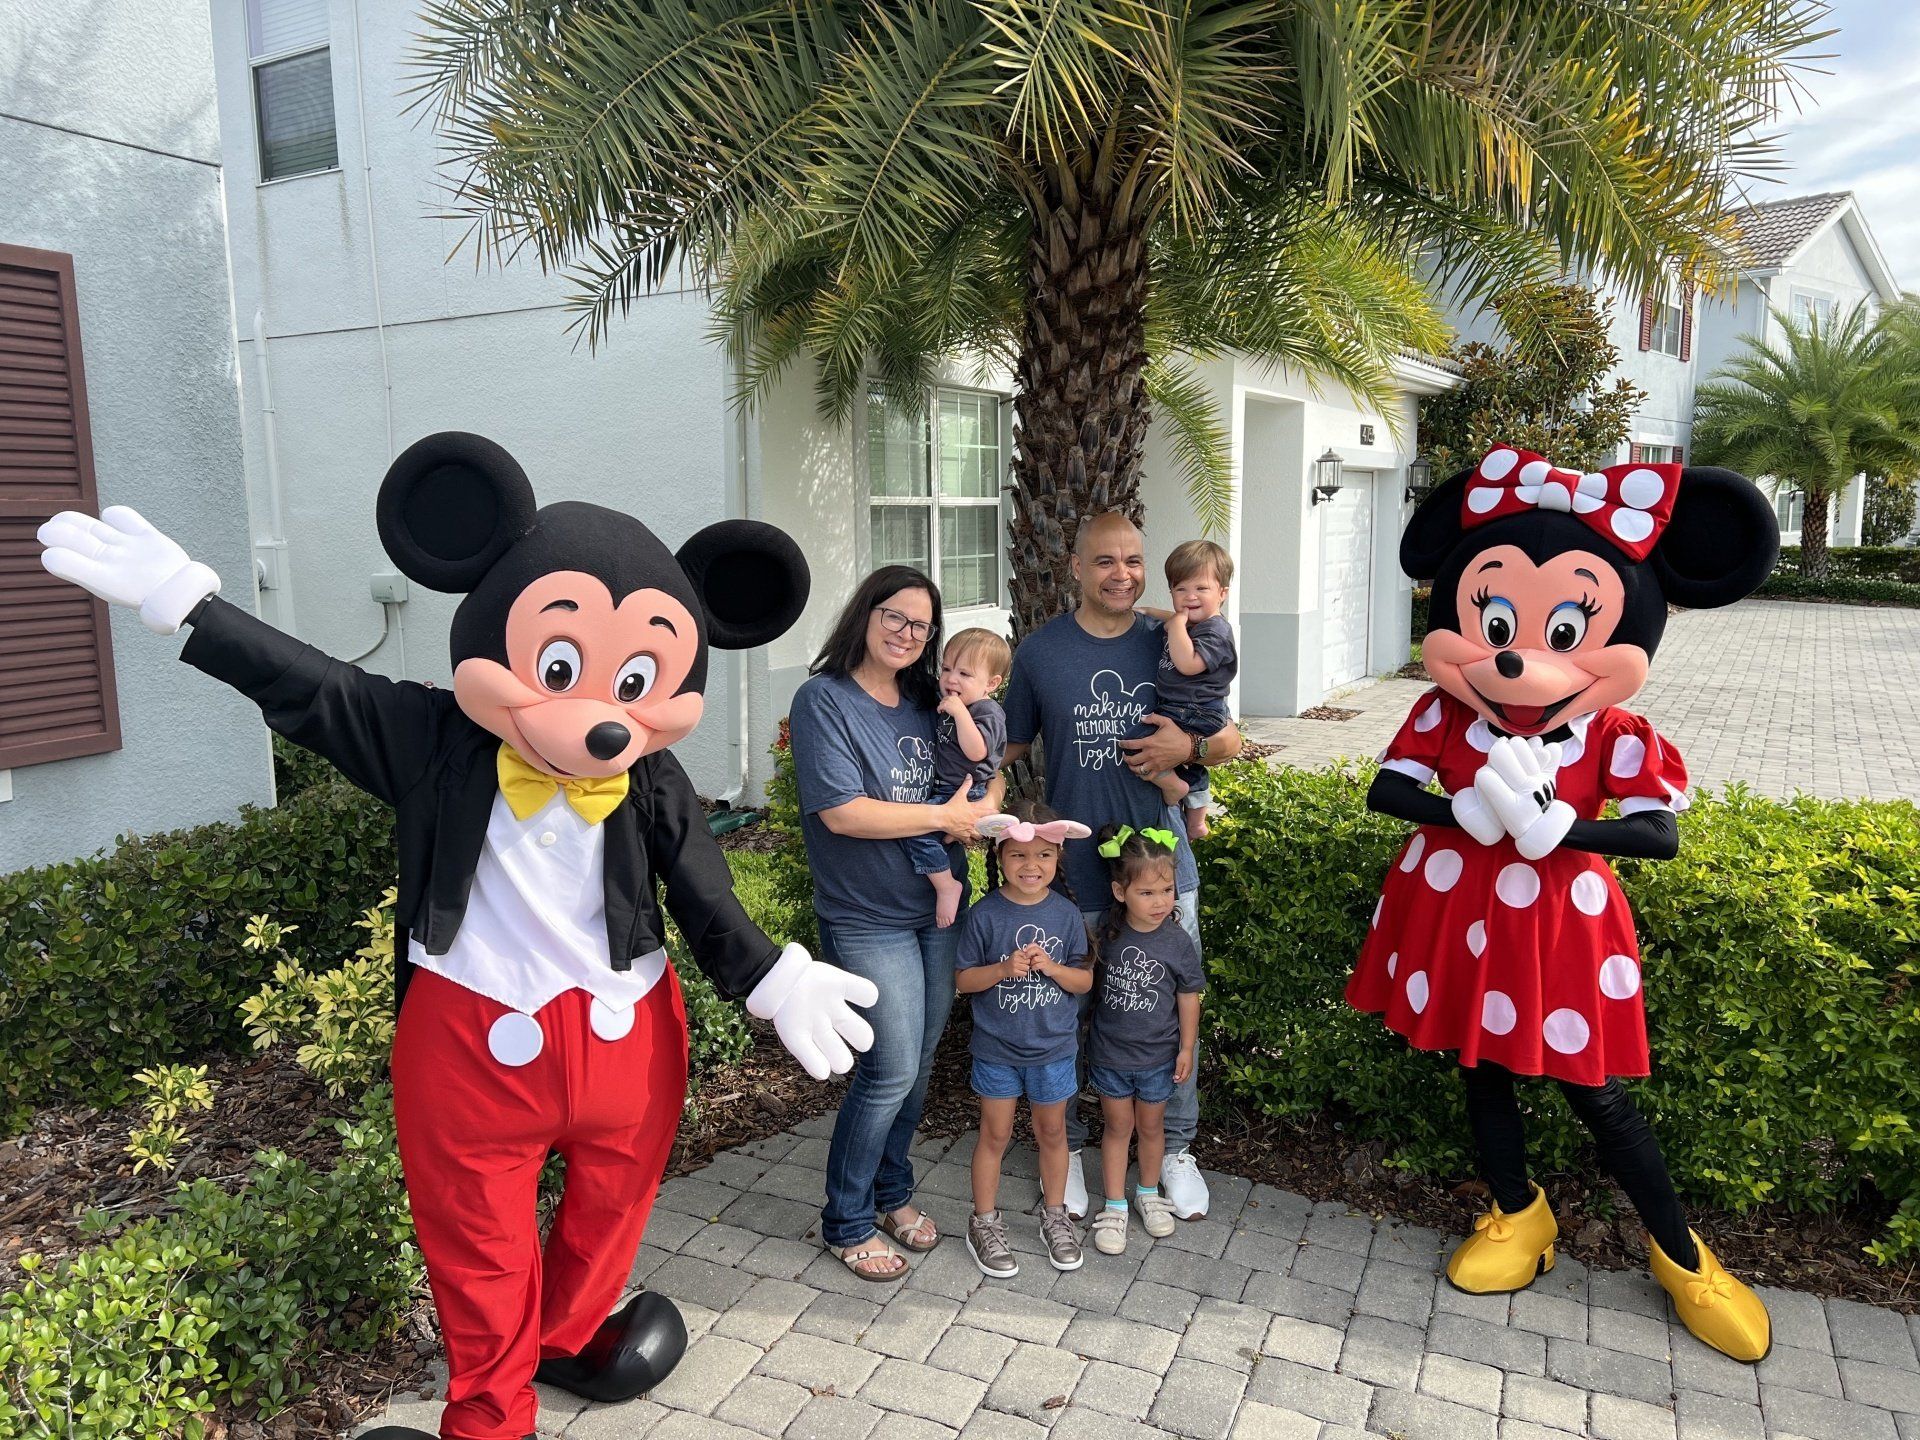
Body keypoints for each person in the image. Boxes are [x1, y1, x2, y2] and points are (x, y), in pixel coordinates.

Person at [37, 433, 875, 1440]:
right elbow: (317, 690)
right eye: (562, 667)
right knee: (480, 1244)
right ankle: (491, 1410)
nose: (599, 718)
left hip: (630, 1042)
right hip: (473, 1044)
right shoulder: (430, 740)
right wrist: (192, 605)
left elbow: (705, 894)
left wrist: (773, 977)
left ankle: (566, 1335)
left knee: (612, 1210)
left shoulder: (649, 777)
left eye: (634, 681)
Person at [1348, 444, 1780, 1363]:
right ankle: (1518, 1212)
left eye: (1561, 631)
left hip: (1560, 928)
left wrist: (1560, 830)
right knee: (1482, 1067)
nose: (1518, 662)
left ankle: (1682, 1256)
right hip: (1460, 912)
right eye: (1496, 623)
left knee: (1596, 1094)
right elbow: (1387, 792)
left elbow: (1658, 833)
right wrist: (1460, 811)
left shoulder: (1616, 731)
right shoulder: (1444, 716)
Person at [1001, 512, 1241, 1220]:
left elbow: (1229, 737)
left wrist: (1186, 753)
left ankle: (1173, 1152)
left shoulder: (1175, 636)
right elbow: (1007, 747)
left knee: (1169, 1011)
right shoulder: (1041, 654)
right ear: (1075, 567)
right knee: (1069, 1015)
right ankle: (1068, 1151)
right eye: (1105, 561)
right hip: (1075, 873)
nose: (1122, 575)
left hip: (1164, 877)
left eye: (1134, 561)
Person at [788, 567, 997, 1281]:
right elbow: (842, 811)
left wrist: (979, 804)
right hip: (865, 916)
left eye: (921, 625)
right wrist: (943, 816)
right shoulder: (825, 701)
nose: (908, 633)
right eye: (896, 617)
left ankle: (891, 1192)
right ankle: (844, 1221)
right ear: (865, 614)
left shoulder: (925, 701)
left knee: (920, 1064)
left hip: (937, 908)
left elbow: (981, 761)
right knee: (888, 1071)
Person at [955, 800, 1094, 1276]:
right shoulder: (984, 915)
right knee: (994, 1134)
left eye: (1043, 856)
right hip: (997, 1050)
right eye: (1018, 855)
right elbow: (963, 981)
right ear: (998, 857)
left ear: (1058, 859)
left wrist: (1052, 967)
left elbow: (1084, 982)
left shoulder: (1067, 915)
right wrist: (1000, 969)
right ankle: (984, 1222)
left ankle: (1054, 1216)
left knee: (1052, 1132)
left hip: (1053, 1051)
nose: (1031, 866)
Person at [1085, 824, 1205, 1256]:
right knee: (1118, 1127)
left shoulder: (1177, 941)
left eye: (1168, 890)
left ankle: (1148, 1194)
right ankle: (1115, 1206)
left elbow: (1189, 996)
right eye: (1147, 893)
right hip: (1111, 1056)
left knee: (1152, 1127)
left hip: (1158, 1059)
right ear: (1120, 892)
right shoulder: (1108, 933)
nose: (1161, 902)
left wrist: (1187, 1047)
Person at [903, 627, 1010, 927]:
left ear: (991, 683)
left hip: (967, 790)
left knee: (919, 833)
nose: (951, 679)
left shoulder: (987, 711)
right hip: (947, 788)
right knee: (934, 832)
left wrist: (961, 713)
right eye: (947, 669)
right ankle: (950, 841)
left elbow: (977, 751)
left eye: (965, 673)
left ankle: (946, 885)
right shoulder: (954, 700)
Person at [1135, 540, 1238, 840]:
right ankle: (1196, 820)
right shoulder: (1196, 621)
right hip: (1186, 707)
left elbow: (1188, 664)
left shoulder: (1216, 630)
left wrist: (1177, 623)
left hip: (1196, 710)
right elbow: (1173, 618)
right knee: (1189, 765)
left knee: (1144, 742)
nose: (1189, 597)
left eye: (1201, 589)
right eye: (1180, 590)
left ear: (1222, 593)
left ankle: (1173, 787)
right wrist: (1149, 612)